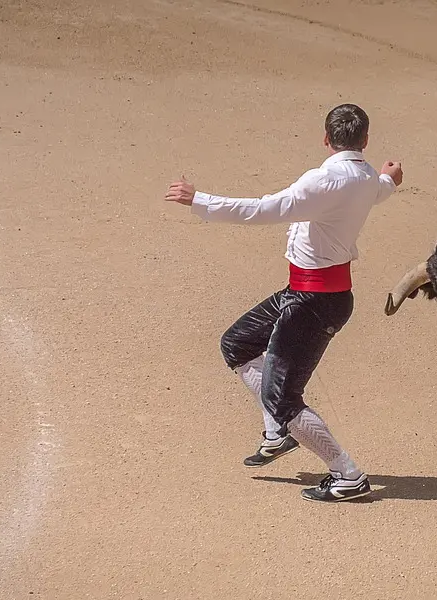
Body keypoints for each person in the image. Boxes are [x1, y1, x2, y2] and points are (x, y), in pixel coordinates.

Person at [164, 103, 403, 503]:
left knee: (283, 398)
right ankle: (278, 433)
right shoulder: (366, 177)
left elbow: (263, 210)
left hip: (312, 301)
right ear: (365, 141)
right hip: (312, 294)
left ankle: (347, 475)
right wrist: (392, 179)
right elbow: (380, 189)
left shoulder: (324, 181)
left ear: (326, 139)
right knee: (237, 344)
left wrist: (198, 199)